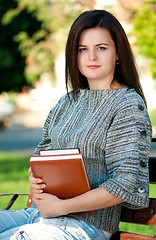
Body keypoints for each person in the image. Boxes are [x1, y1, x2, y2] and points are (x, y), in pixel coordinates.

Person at [0, 9, 152, 240]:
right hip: (39, 215)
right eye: (82, 49)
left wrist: (61, 207)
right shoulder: (67, 102)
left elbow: (126, 181)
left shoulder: (127, 105)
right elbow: (42, 156)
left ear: (118, 53)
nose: (91, 57)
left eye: (101, 48)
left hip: (86, 225)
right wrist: (36, 177)